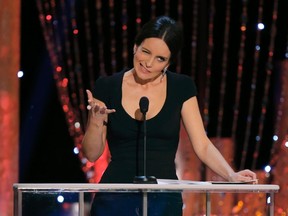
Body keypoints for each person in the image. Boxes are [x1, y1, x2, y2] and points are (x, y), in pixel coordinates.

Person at [82, 15, 257, 216]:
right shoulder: (107, 86)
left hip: (163, 199)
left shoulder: (181, 87)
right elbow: (92, 154)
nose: (148, 63)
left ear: (168, 62)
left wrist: (231, 175)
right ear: (135, 47)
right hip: (115, 197)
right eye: (145, 52)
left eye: (160, 59)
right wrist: (95, 122)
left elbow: (202, 144)